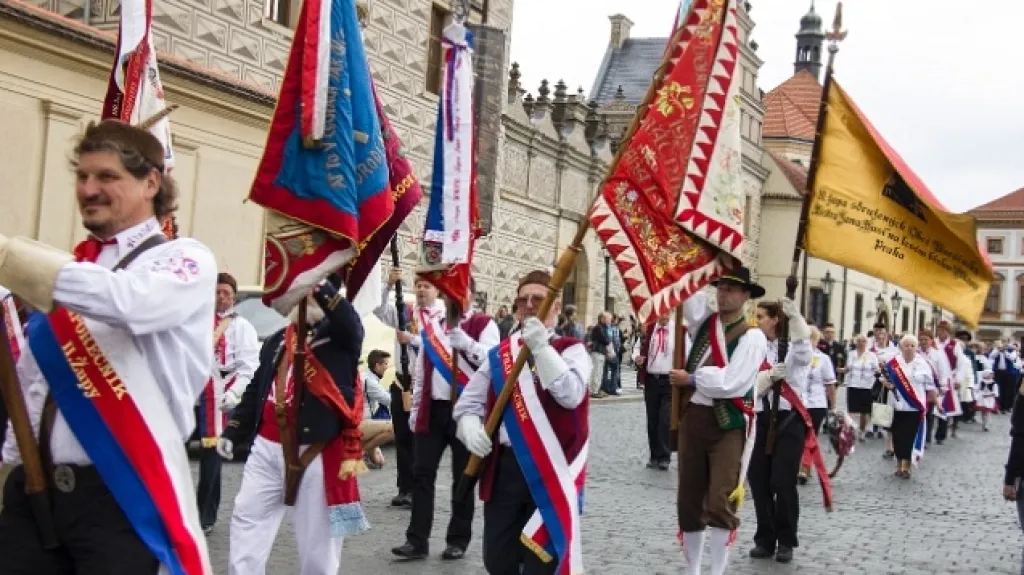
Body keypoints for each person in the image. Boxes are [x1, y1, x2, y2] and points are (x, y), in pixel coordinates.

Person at [0, 120, 215, 573]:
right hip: (35, 492)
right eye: (82, 176)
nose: (88, 189)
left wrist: (10, 258)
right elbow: (35, 382)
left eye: (106, 177)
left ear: (150, 182)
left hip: (121, 493)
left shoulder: (185, 259)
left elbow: (132, 303)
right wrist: (12, 466)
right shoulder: (75, 267)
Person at [218, 281, 369, 575]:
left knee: (318, 545)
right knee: (247, 523)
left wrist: (319, 284)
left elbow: (350, 324)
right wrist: (233, 430)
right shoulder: (279, 340)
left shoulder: (339, 339)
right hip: (265, 447)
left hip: (315, 450)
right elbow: (258, 389)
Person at [453, 269, 591, 575]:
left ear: (556, 305)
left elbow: (571, 394)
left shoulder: (571, 349)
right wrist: (470, 427)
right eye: (522, 300)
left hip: (550, 471)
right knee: (497, 560)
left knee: (541, 561)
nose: (529, 305)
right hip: (505, 469)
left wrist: (541, 349)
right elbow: (468, 403)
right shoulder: (502, 353)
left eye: (538, 299)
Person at [391, 277, 499, 561]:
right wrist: (415, 410)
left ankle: (457, 539)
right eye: (450, 291)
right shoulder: (435, 327)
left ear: (471, 295)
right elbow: (423, 373)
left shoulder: (484, 324)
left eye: (460, 291)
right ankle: (417, 540)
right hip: (435, 408)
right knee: (421, 474)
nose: (454, 296)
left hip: (467, 411)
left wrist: (467, 344)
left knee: (462, 476)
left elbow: (495, 362)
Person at [670, 267, 768, 575]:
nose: (724, 293)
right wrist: (694, 264)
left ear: (746, 296)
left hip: (728, 422)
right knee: (689, 499)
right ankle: (695, 569)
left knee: (720, 499)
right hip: (694, 418)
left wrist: (693, 378)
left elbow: (733, 382)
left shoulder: (752, 337)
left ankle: (717, 571)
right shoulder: (704, 324)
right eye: (721, 287)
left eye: (732, 289)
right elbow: (689, 295)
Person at [373, 267, 446, 508]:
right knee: (403, 438)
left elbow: (439, 345)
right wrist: (387, 285)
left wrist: (413, 340)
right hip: (401, 382)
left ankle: (420, 489)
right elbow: (380, 311)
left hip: (425, 385)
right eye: (418, 285)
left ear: (437, 290)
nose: (422, 289)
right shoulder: (406, 311)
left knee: (421, 440)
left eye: (427, 285)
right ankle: (404, 487)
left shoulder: (441, 316)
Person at [746, 298, 812, 564]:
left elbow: (805, 353)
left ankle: (786, 540)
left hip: (788, 419)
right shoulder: (755, 346)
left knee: (782, 482)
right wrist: (766, 378)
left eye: (762, 316)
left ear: (775, 319)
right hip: (761, 417)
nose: (757, 319)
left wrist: (795, 319)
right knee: (759, 480)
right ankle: (765, 538)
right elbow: (746, 381)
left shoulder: (791, 347)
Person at [195, 271, 259, 534]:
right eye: (217, 292)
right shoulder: (196, 321)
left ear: (234, 298)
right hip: (190, 393)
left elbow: (248, 366)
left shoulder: (241, 327)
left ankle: (205, 516)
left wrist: (234, 394)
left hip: (218, 394)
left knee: (212, 457)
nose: (221, 298)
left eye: (227, 294)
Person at [880, 334, 937, 479]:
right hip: (897, 405)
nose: (909, 348)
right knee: (898, 436)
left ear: (916, 347)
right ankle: (898, 464)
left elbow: (930, 385)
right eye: (906, 345)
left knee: (910, 437)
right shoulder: (893, 363)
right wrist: (887, 384)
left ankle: (907, 466)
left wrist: (935, 402)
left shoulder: (923, 364)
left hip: (914, 406)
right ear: (901, 346)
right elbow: (882, 378)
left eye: (912, 345)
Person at [634, 313, 675, 470]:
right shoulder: (649, 329)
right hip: (652, 380)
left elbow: (687, 352)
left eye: (666, 313)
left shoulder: (678, 330)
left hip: (669, 380)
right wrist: (637, 357)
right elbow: (638, 347)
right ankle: (654, 455)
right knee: (652, 419)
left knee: (665, 419)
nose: (663, 317)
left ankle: (665, 455)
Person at [798, 326, 837, 484]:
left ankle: (804, 467)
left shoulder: (823, 359)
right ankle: (801, 465)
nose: (808, 342)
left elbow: (830, 385)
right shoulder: (796, 356)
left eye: (811, 339)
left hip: (816, 403)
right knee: (799, 436)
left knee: (810, 435)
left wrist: (833, 406)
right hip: (797, 402)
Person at [361, 349, 395, 468]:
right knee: (395, 428)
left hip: (366, 421)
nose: (387, 367)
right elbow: (389, 400)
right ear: (377, 365)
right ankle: (360, 453)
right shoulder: (370, 381)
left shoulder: (368, 377)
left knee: (379, 462)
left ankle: (362, 450)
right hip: (361, 423)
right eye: (385, 364)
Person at [844, 334, 880, 441]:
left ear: (866, 343)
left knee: (864, 411)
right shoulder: (852, 354)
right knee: (851, 410)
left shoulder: (871, 355)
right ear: (856, 343)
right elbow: (848, 367)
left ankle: (862, 431)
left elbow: (876, 369)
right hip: (853, 384)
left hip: (866, 385)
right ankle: (849, 431)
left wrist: (879, 372)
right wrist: (842, 370)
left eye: (863, 341)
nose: (861, 343)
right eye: (859, 341)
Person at [588, 313, 612, 398]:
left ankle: (596, 389)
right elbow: (605, 340)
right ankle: (593, 391)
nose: (610, 321)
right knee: (596, 372)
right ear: (602, 319)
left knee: (599, 372)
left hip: (601, 352)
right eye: (608, 319)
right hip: (597, 351)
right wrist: (608, 341)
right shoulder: (599, 327)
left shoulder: (604, 327)